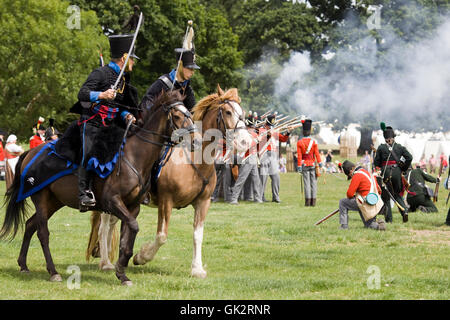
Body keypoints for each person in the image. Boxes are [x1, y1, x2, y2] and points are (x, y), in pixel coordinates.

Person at [69, 34, 139, 210]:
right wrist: (101, 94)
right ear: (124, 57)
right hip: (92, 123)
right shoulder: (100, 73)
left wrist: (126, 115)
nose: (133, 63)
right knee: (88, 152)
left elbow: (119, 105)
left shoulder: (123, 80)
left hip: (110, 127)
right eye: (132, 59)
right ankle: (83, 193)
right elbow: (82, 93)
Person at [140, 45, 199, 112]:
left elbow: (194, 112)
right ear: (180, 65)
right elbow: (146, 103)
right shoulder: (162, 83)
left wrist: (198, 122)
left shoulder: (187, 89)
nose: (192, 72)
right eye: (190, 68)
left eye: (193, 69)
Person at [374, 122, 412, 223]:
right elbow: (409, 157)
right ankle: (404, 211)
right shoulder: (399, 147)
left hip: (385, 173)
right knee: (398, 195)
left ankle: (389, 220)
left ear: (385, 138)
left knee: (386, 197)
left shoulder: (381, 148)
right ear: (393, 137)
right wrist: (403, 168)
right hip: (396, 172)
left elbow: (376, 163)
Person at [338, 160, 386, 230]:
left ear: (351, 170)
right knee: (369, 225)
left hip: (365, 202)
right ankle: (379, 226)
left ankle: (344, 226)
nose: (350, 176)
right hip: (372, 200)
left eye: (349, 174)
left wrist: (354, 196)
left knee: (343, 202)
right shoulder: (365, 171)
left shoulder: (357, 175)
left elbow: (349, 194)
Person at [229, 114, 263, 204]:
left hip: (254, 158)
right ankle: (233, 198)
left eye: (252, 126)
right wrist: (256, 140)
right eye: (250, 127)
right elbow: (244, 147)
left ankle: (258, 198)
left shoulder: (254, 134)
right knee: (241, 179)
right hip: (247, 158)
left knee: (256, 180)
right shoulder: (243, 135)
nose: (252, 128)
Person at [258, 113, 291, 203]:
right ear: (266, 123)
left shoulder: (274, 130)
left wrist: (288, 132)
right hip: (264, 154)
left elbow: (283, 139)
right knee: (263, 178)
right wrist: (267, 134)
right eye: (269, 125)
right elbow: (259, 140)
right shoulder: (261, 130)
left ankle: (275, 197)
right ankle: (260, 197)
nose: (270, 127)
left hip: (273, 154)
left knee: (276, 177)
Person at [297, 119, 322, 207]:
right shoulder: (314, 142)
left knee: (306, 184)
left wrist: (299, 166)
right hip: (312, 164)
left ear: (303, 132)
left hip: (304, 164)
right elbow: (317, 154)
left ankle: (307, 202)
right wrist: (320, 163)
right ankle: (313, 202)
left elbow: (299, 156)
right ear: (310, 132)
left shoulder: (299, 142)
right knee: (313, 184)